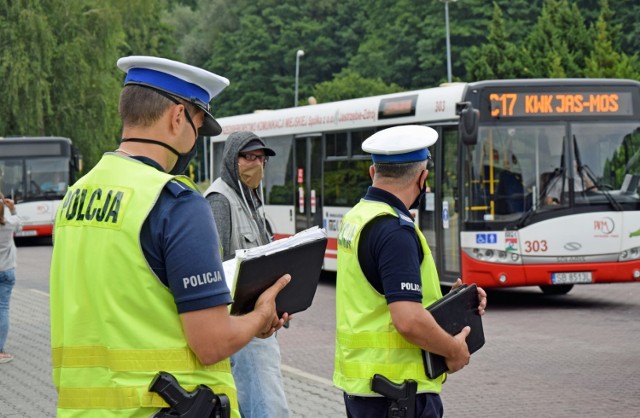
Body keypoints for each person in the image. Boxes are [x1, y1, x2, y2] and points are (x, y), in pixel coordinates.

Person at [49, 56, 290, 418]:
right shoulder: (174, 201)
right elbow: (211, 344)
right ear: (178, 117)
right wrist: (260, 316)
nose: (195, 139)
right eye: (197, 125)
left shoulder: (75, 196)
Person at [333, 125, 487, 418]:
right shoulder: (395, 230)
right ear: (422, 178)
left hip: (366, 389)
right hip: (398, 394)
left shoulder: (357, 217)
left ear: (372, 172)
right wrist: (453, 350)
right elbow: (407, 321)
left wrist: (449, 300)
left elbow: (374, 292)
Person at [204, 131, 290, 418]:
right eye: (248, 157)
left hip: (259, 325)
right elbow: (213, 269)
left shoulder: (251, 201)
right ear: (232, 159)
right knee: (268, 411)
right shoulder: (220, 201)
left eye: (260, 158)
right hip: (242, 329)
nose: (256, 164)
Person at [0, 195, 21, 364]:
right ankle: (0, 351)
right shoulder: (8, 223)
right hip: (7, 270)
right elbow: (19, 225)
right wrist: (13, 208)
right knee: (3, 309)